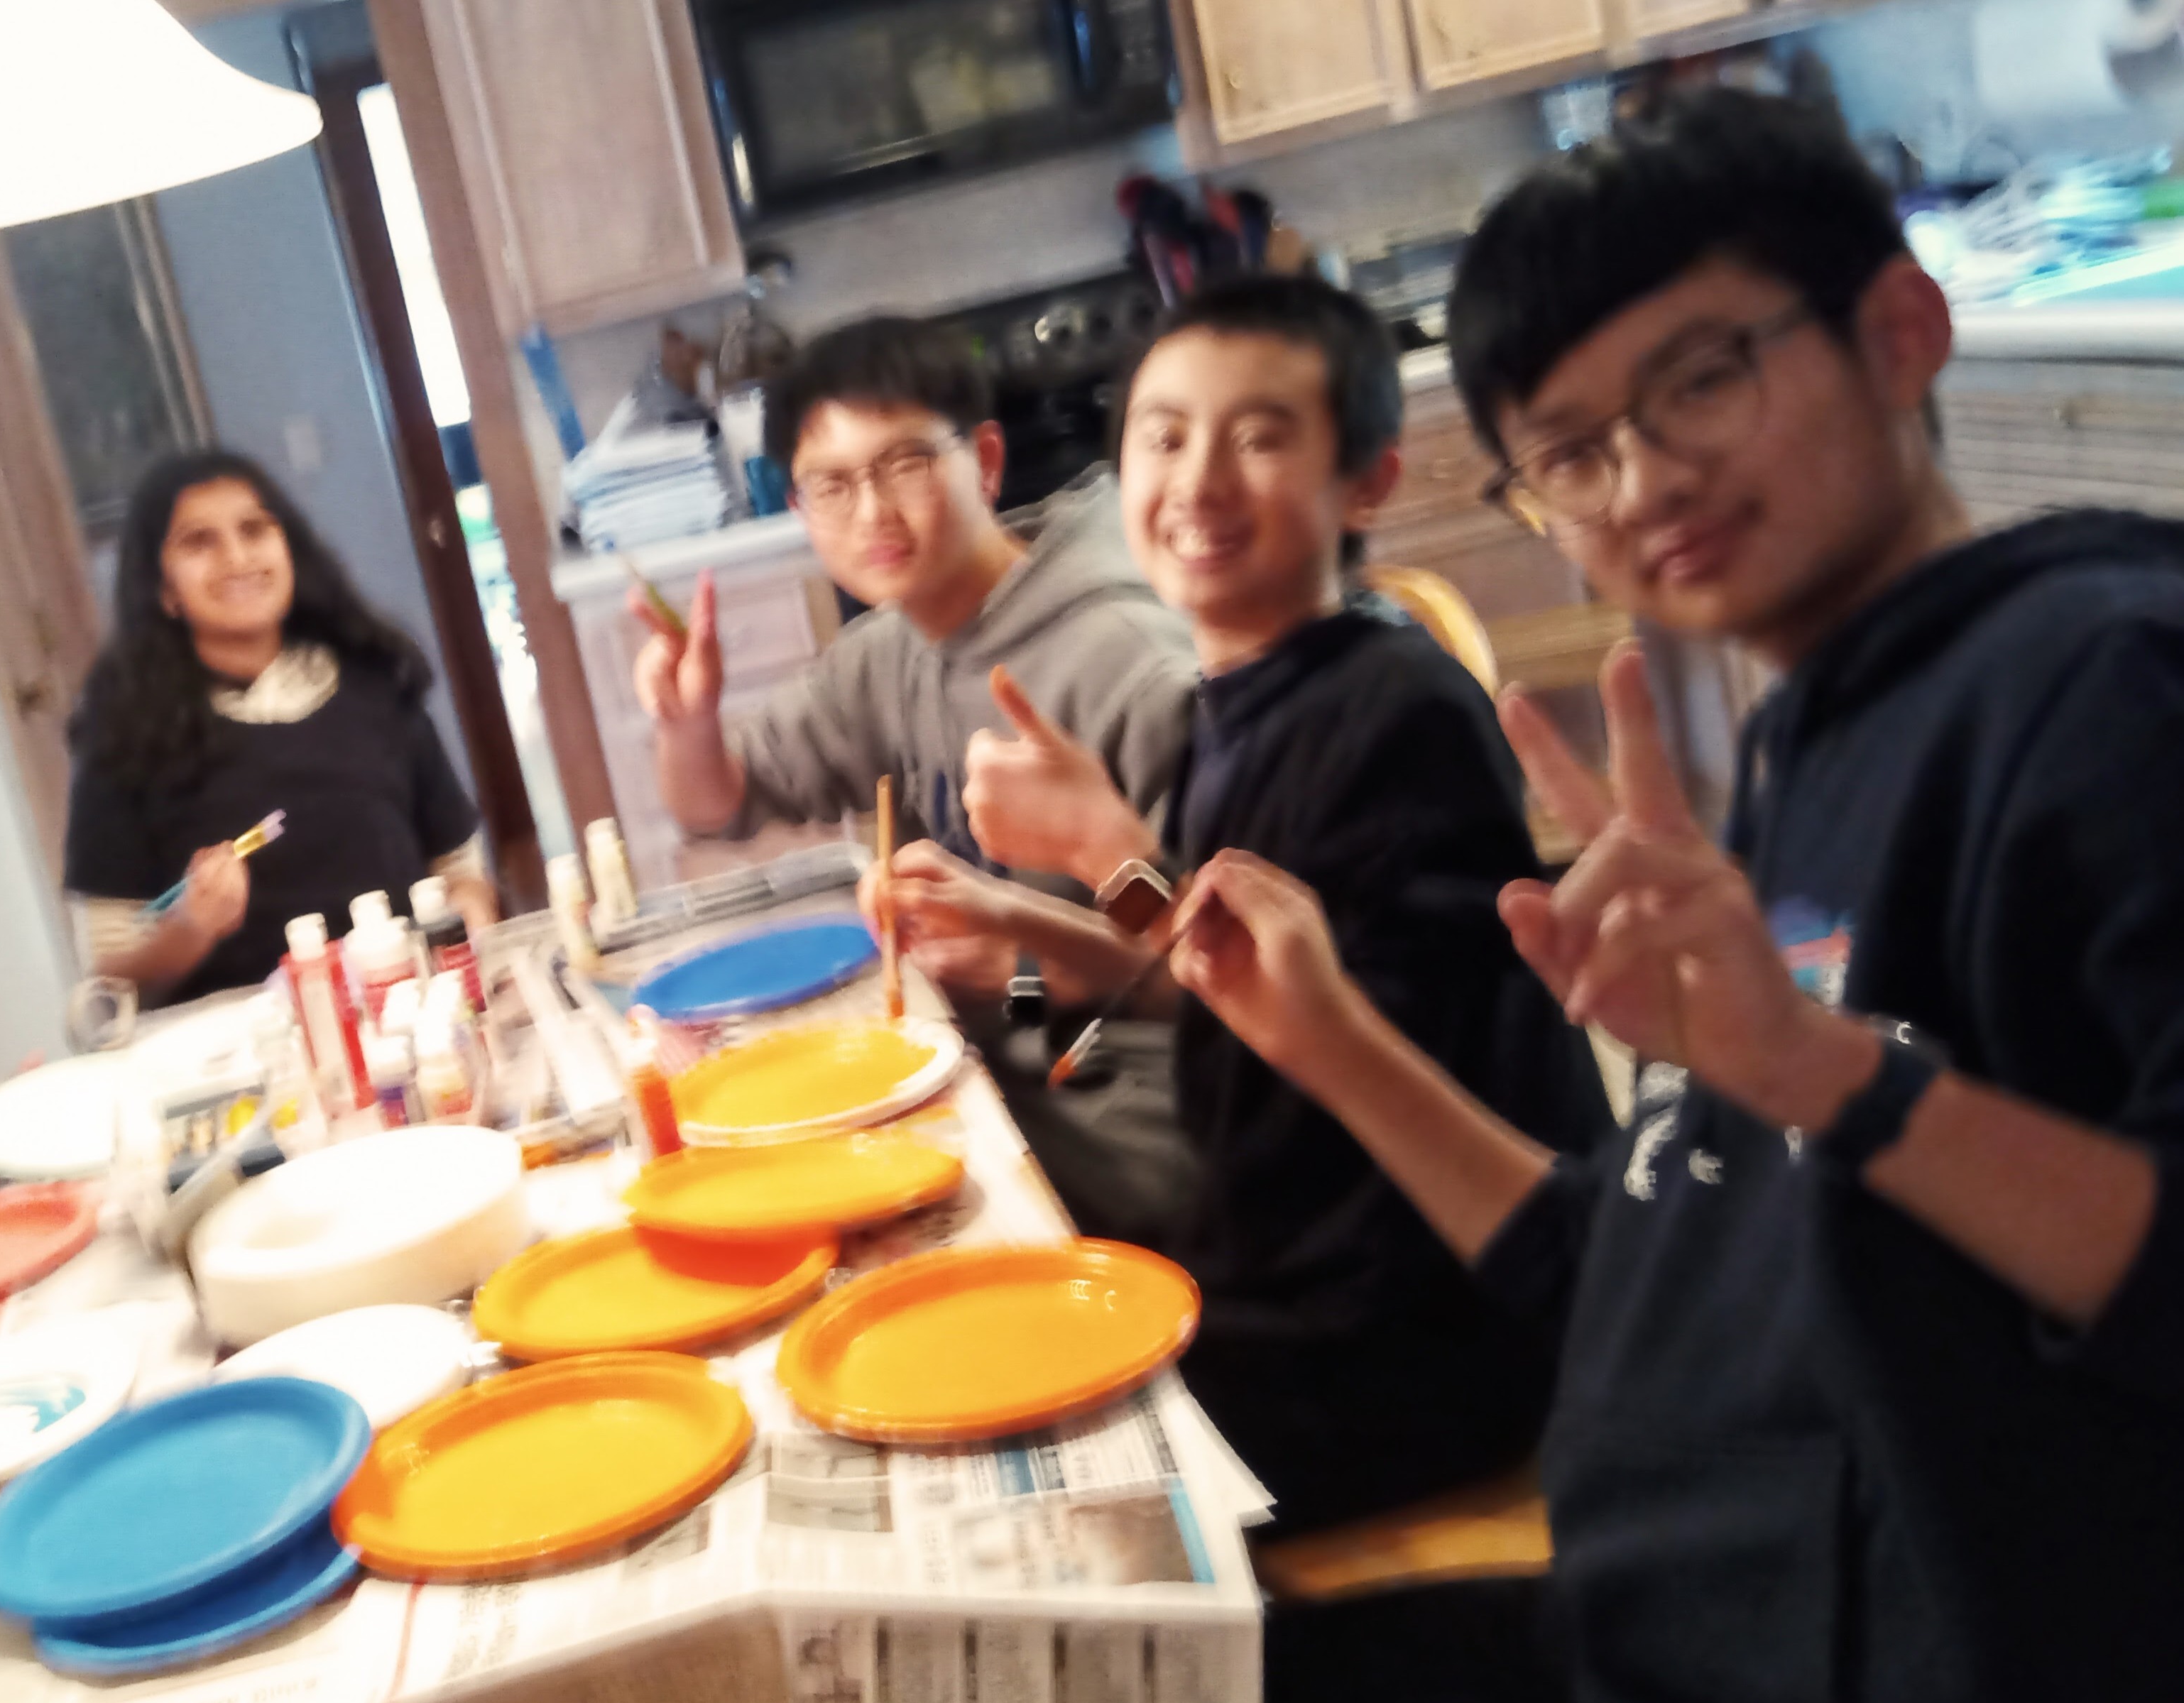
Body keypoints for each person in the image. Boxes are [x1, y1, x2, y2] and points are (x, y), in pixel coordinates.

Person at [1158, 89, 2184, 1702]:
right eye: (1571, 451)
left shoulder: (2096, 680)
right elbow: (1640, 1263)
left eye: (1699, 379)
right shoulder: (1811, 733)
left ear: (1899, 331)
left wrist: (1836, 1078)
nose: (1640, 479)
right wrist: (1327, 1041)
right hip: (1647, 1609)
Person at [897, 275, 1608, 1565]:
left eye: (1259, 436)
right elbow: (1238, 971)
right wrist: (1031, 930)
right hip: (1280, 1254)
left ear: (1365, 481)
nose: (1198, 480)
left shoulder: (1397, 710)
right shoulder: (1243, 693)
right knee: (945, 1305)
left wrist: (1104, 850)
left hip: (1407, 1326)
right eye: (1164, 436)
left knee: (990, 1486)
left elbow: (1349, 1036)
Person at [635, 316, 1201, 1234]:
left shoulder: (1127, 662)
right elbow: (717, 804)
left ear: (985, 462)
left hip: (1140, 1107)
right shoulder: (889, 651)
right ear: (799, 507)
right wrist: (685, 724)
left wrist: (1023, 967)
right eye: (832, 484)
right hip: (990, 1067)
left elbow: (1225, 973)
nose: (871, 513)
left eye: (903, 464)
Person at [65, 450, 495, 1009]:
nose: (237, 557)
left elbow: (460, 872)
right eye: (199, 542)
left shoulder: (376, 683)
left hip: (412, 1011)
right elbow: (109, 980)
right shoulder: (123, 733)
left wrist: (468, 921)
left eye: (254, 529)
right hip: (240, 1045)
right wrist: (190, 929)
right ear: (163, 588)